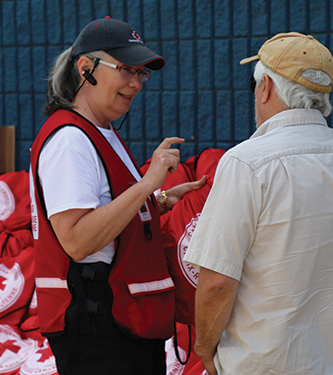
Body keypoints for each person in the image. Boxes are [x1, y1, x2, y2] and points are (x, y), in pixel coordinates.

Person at [184, 32, 333, 375]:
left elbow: (217, 282)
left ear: (266, 87)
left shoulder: (245, 162)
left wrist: (205, 348)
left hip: (255, 365)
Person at [29, 17, 205, 375]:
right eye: (126, 69)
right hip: (99, 327)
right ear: (85, 69)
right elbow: (77, 240)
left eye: (142, 73)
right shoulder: (70, 141)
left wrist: (161, 199)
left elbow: (106, 212)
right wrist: (146, 184)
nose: (137, 83)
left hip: (124, 320)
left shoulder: (99, 131)